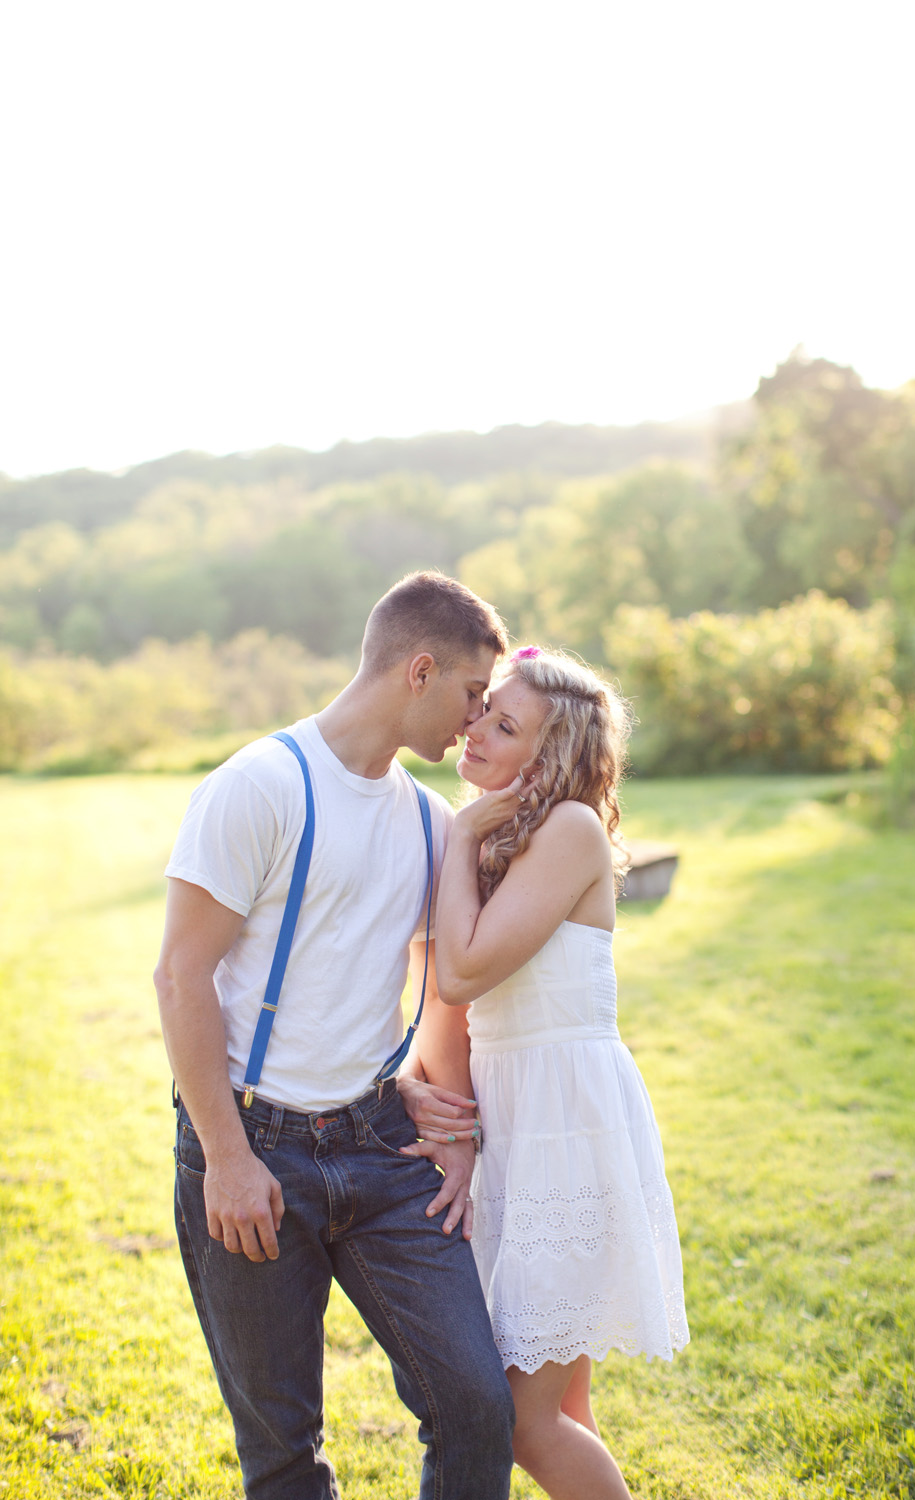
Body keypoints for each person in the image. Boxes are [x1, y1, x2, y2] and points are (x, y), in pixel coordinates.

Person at [153, 571, 515, 1500]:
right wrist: (230, 1162)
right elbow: (181, 976)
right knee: (282, 1448)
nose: (475, 725)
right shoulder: (259, 786)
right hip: (251, 1146)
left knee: (476, 1403)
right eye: (474, 696)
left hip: (380, 1144)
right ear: (420, 671)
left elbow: (444, 996)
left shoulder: (432, 822)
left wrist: (453, 1126)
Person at [409, 646, 689, 1500]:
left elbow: (461, 971)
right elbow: (434, 988)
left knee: (527, 1424)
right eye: (483, 710)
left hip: (565, 1128)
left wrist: (459, 835)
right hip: (514, 1124)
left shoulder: (566, 830)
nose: (476, 731)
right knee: (563, 1402)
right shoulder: (503, 831)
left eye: (505, 725)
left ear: (552, 753)